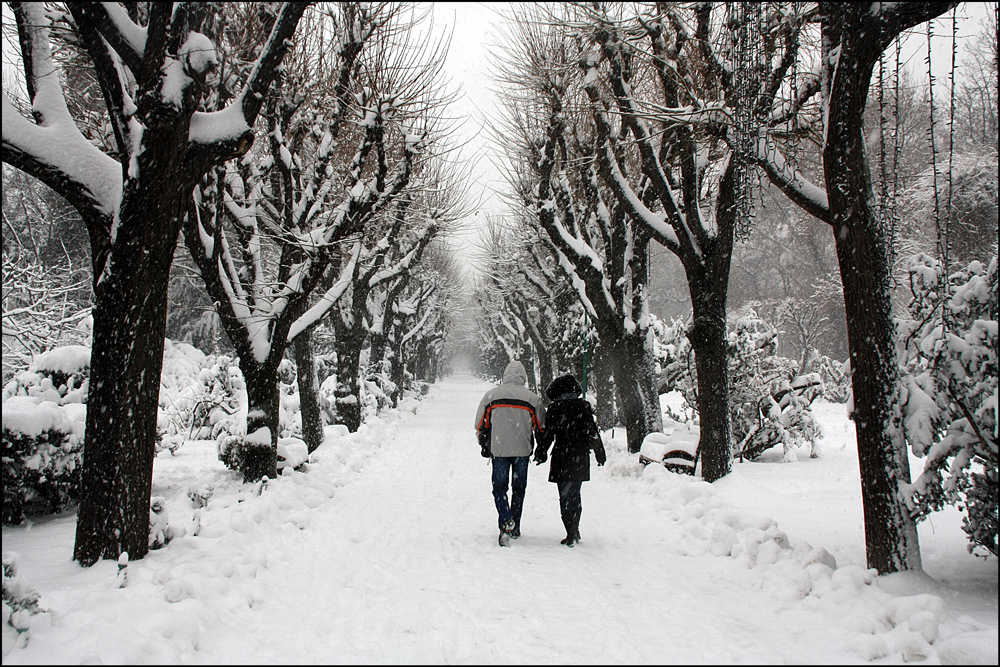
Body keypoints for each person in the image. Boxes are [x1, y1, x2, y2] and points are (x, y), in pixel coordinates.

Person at [474, 360, 546, 547]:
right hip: (522, 450)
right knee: (519, 489)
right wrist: (540, 447)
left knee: (499, 488)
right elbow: (541, 427)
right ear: (523, 377)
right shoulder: (532, 399)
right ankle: (515, 526)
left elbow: (481, 424)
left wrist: (484, 442)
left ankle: (505, 520)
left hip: (499, 450)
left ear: (504, 375)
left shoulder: (491, 396)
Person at [533, 373, 606, 547]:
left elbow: (548, 435)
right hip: (580, 456)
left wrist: (541, 453)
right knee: (576, 494)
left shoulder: (554, 408)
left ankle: (570, 531)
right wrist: (599, 453)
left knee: (564, 496)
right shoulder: (584, 407)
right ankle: (575, 528)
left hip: (561, 456)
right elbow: (592, 431)